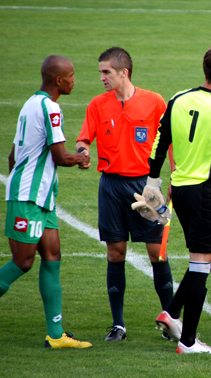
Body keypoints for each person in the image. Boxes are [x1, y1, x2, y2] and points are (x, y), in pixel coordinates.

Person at [143, 46, 211, 354]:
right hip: (204, 190)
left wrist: (153, 180)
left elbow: (161, 140)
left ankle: (171, 312)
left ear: (204, 69)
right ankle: (187, 342)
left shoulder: (178, 98)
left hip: (179, 189)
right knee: (200, 262)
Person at [76, 47, 174, 342]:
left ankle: (171, 320)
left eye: (106, 72)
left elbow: (169, 141)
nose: (102, 78)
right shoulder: (97, 105)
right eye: (100, 72)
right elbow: (84, 138)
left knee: (157, 253)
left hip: (146, 186)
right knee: (115, 252)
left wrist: (174, 179)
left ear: (124, 73)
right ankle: (118, 325)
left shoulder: (154, 102)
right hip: (111, 186)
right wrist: (83, 152)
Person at [0, 55, 92, 349]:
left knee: (52, 257)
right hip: (28, 195)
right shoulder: (51, 108)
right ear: (58, 80)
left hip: (42, 198)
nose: (75, 80)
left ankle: (56, 335)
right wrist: (81, 158)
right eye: (72, 76)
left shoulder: (29, 104)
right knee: (23, 261)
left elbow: (13, 154)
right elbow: (59, 155)